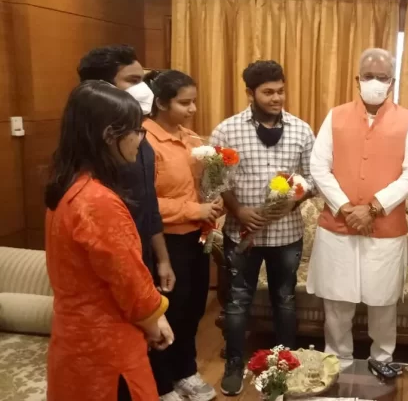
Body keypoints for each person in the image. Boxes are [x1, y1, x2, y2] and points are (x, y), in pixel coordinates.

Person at [45, 81, 174, 401]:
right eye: (136, 131)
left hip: (73, 340)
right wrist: (155, 322)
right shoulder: (97, 201)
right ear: (108, 135)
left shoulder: (67, 187)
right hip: (107, 349)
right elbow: (129, 281)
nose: (140, 139)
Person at [307, 48, 408, 369]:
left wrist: (372, 208)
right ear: (358, 80)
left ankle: (381, 361)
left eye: (382, 77)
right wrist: (347, 208)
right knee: (337, 302)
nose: (375, 82)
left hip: (384, 229)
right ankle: (337, 361)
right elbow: (319, 166)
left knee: (383, 302)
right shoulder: (336, 116)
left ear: (392, 82)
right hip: (338, 226)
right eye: (369, 76)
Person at [211, 60, 315, 396]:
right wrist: (239, 210)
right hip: (242, 236)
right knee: (238, 302)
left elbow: (312, 179)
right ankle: (234, 365)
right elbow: (216, 180)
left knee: (284, 300)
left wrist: (291, 201)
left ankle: (284, 366)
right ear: (250, 93)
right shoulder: (226, 131)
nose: (276, 98)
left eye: (280, 91)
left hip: (287, 235)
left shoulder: (301, 130)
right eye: (268, 92)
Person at [144, 70, 221, 401]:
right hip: (165, 242)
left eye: (194, 102)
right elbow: (144, 202)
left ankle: (185, 371)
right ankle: (162, 384)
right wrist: (193, 210)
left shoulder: (190, 138)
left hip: (196, 238)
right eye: (184, 103)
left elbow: (202, 185)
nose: (192, 109)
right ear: (161, 103)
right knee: (169, 312)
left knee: (193, 309)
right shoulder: (146, 142)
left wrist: (213, 200)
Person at [77, 45, 176, 295]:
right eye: (133, 81)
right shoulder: (87, 151)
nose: (144, 90)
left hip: (143, 258)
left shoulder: (138, 139)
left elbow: (149, 204)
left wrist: (163, 259)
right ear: (101, 87)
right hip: (111, 274)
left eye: (143, 80)